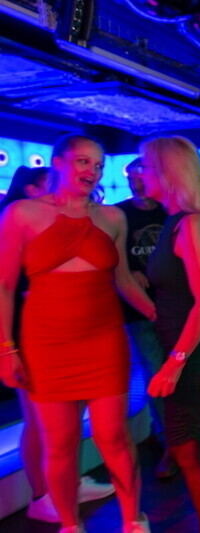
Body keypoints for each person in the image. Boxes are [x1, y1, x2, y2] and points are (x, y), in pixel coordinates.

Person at [0, 134, 152, 533]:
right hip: (46, 343)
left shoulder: (113, 218)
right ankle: (70, 525)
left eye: (98, 165)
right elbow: (3, 286)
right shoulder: (21, 213)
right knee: (61, 444)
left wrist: (158, 314)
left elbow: (123, 280)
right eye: (83, 161)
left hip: (104, 341)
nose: (92, 171)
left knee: (114, 437)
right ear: (58, 162)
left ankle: (134, 520)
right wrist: (5, 350)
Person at [0, 165, 117, 523]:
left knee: (65, 420)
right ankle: (41, 495)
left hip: (59, 333)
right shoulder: (17, 221)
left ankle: (67, 484)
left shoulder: (53, 223)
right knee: (39, 421)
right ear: (32, 190)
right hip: (26, 332)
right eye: (51, 186)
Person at [140, 136, 200, 533]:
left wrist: (175, 363)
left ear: (168, 173)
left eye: (146, 166)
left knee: (183, 447)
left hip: (194, 351)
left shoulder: (192, 223)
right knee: (195, 438)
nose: (140, 173)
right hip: (183, 347)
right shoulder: (175, 222)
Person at [115, 158, 178, 479]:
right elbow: (112, 261)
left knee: (174, 373)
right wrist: (130, 271)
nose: (135, 183)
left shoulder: (170, 212)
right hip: (137, 310)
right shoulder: (119, 213)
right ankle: (171, 445)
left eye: (141, 177)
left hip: (172, 306)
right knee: (156, 372)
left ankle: (171, 434)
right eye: (131, 178)